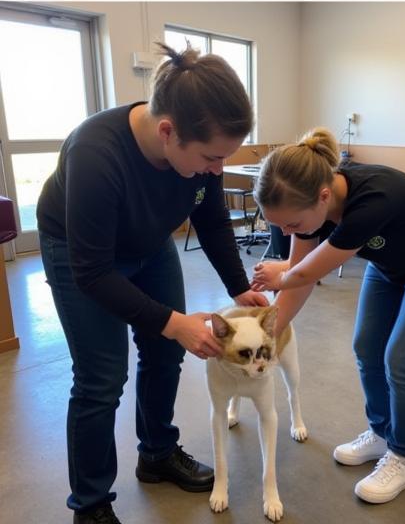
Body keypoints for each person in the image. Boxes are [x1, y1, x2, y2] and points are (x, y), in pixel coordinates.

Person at [36, 45, 269, 524]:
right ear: (168, 132)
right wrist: (171, 321)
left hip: (149, 242)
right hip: (84, 253)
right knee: (101, 379)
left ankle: (157, 453)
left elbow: (212, 220)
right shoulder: (96, 154)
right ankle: (91, 505)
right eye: (210, 157)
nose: (216, 169)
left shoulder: (198, 160)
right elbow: (94, 273)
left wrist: (239, 286)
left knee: (166, 351)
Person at [249, 130, 405, 504]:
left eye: (292, 226)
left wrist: (283, 273)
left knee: (401, 359)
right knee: (367, 346)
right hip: (389, 265)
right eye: (280, 226)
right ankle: (381, 433)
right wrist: (270, 336)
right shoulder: (310, 206)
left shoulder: (370, 202)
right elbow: (300, 275)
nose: (286, 233)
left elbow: (301, 275)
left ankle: (404, 456)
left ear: (323, 197)